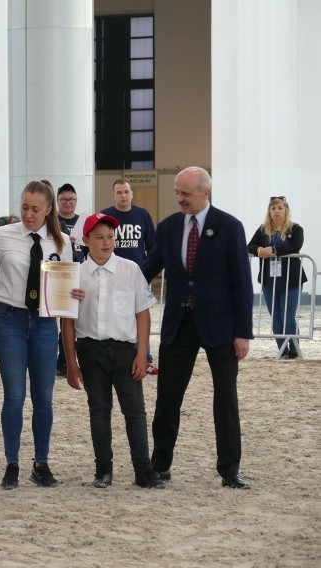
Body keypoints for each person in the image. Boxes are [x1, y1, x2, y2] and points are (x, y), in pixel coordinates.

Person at [0, 180, 74, 490]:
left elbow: (67, 287)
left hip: (46, 325)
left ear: (49, 210)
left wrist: (76, 294)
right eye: (24, 207)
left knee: (44, 398)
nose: (29, 214)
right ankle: (12, 463)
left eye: (36, 209)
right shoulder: (2, 236)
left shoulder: (62, 242)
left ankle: (41, 463)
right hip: (9, 321)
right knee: (15, 396)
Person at [141, 166, 253, 490]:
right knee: (168, 398)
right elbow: (148, 268)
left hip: (221, 326)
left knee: (226, 398)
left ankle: (230, 469)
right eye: (177, 192)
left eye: (185, 193)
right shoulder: (169, 227)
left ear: (206, 193)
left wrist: (242, 332)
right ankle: (159, 465)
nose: (179, 199)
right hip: (179, 324)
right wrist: (108, 273)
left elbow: (242, 283)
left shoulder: (230, 227)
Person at [62, 212, 165, 489]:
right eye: (99, 237)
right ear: (85, 241)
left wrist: (143, 354)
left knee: (135, 411)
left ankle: (143, 472)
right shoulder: (75, 275)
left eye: (110, 237)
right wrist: (71, 363)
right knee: (99, 410)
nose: (106, 242)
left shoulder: (131, 270)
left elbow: (143, 315)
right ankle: (103, 470)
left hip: (126, 351)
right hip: (90, 350)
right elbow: (67, 323)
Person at [102, 179, 158, 375]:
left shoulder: (142, 215)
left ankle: (147, 357)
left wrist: (148, 271)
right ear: (113, 195)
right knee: (112, 313)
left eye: (126, 192)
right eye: (119, 192)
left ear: (132, 194)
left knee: (141, 315)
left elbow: (153, 246)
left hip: (139, 275)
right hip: (111, 275)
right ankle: (113, 354)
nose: (123, 196)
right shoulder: (105, 216)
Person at [247, 196, 307, 359]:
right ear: (269, 212)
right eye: (273, 208)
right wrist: (259, 249)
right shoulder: (262, 229)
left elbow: (296, 246)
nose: (276, 211)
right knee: (276, 318)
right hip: (269, 280)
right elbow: (249, 246)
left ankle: (294, 350)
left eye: (280, 208)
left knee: (289, 317)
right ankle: (282, 351)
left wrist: (272, 250)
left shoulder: (296, 229)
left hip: (291, 280)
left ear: (286, 210)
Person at [55, 183, 85, 377]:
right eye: (64, 200)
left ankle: (68, 361)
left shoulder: (84, 221)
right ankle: (61, 361)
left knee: (75, 321)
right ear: (57, 202)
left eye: (71, 199)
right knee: (59, 322)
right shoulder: (51, 221)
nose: (68, 203)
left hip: (80, 273)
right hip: (58, 274)